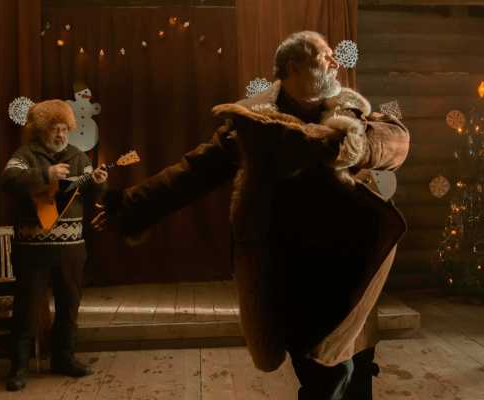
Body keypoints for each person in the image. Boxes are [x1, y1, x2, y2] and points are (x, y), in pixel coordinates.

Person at [92, 30, 410, 399]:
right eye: (324, 56)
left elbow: (397, 142)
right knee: (325, 372)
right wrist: (131, 207)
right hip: (297, 267)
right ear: (293, 66)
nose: (335, 62)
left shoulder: (351, 109)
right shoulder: (253, 124)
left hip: (355, 262)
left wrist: (353, 143)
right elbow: (194, 172)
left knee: (356, 373)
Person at [2, 100, 108, 391]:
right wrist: (45, 175)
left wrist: (99, 182)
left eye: (64, 129)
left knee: (69, 305)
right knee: (26, 308)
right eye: (54, 129)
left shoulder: (79, 157)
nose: (61, 135)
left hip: (71, 248)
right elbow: (8, 180)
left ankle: (64, 359)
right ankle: (18, 367)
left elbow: (92, 196)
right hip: (31, 249)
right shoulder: (25, 154)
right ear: (40, 131)